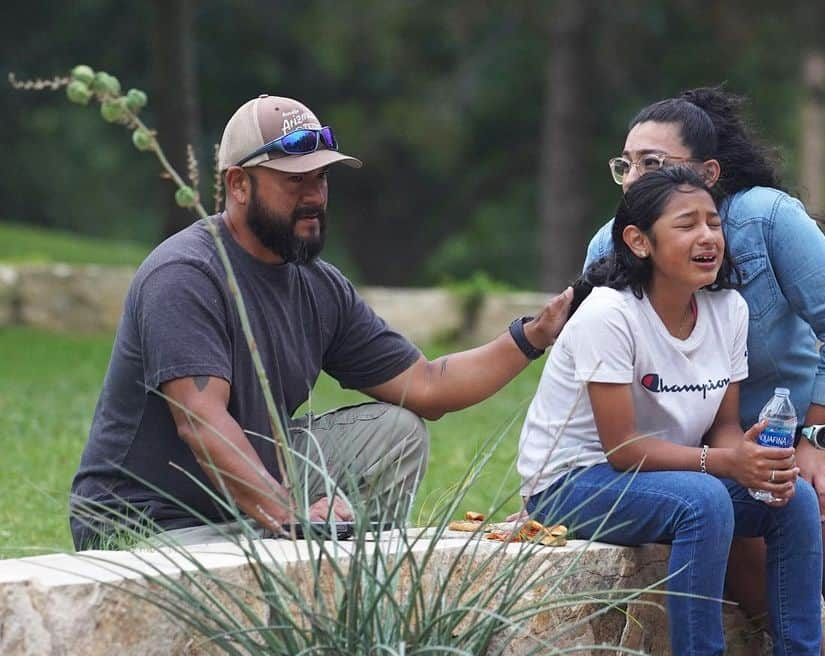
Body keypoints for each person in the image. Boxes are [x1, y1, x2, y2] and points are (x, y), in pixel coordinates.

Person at [69, 94, 571, 550]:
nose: (314, 196)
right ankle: (303, 563)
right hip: (148, 522)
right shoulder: (185, 274)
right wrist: (292, 517)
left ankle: (345, 601)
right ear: (238, 184)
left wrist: (532, 336)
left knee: (396, 431)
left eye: (321, 178)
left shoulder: (318, 286)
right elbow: (202, 423)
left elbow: (425, 386)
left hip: (246, 505)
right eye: (294, 181)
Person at [582, 86, 825, 656]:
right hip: (686, 438)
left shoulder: (765, 220)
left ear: (708, 174)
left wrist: (819, 439)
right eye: (626, 164)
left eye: (653, 164)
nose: (634, 179)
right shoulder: (613, 244)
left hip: (801, 418)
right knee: (723, 511)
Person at [518, 167, 825, 656]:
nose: (708, 236)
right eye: (686, 224)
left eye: (713, 222)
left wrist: (756, 459)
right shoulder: (609, 314)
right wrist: (725, 465)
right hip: (570, 482)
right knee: (705, 501)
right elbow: (623, 448)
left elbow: (725, 429)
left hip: (666, 476)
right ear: (639, 241)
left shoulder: (727, 310)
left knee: (791, 499)